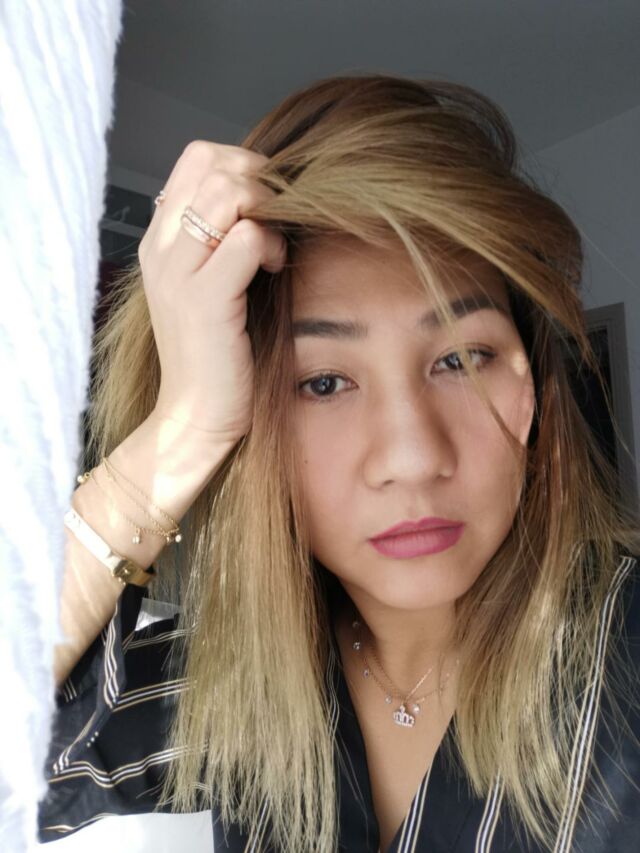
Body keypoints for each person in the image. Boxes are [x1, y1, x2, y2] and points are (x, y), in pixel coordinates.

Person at [38, 74, 639, 852]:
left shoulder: (619, 651)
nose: (412, 458)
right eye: (323, 382)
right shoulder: (235, 680)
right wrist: (181, 428)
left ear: (533, 387)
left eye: (461, 359)